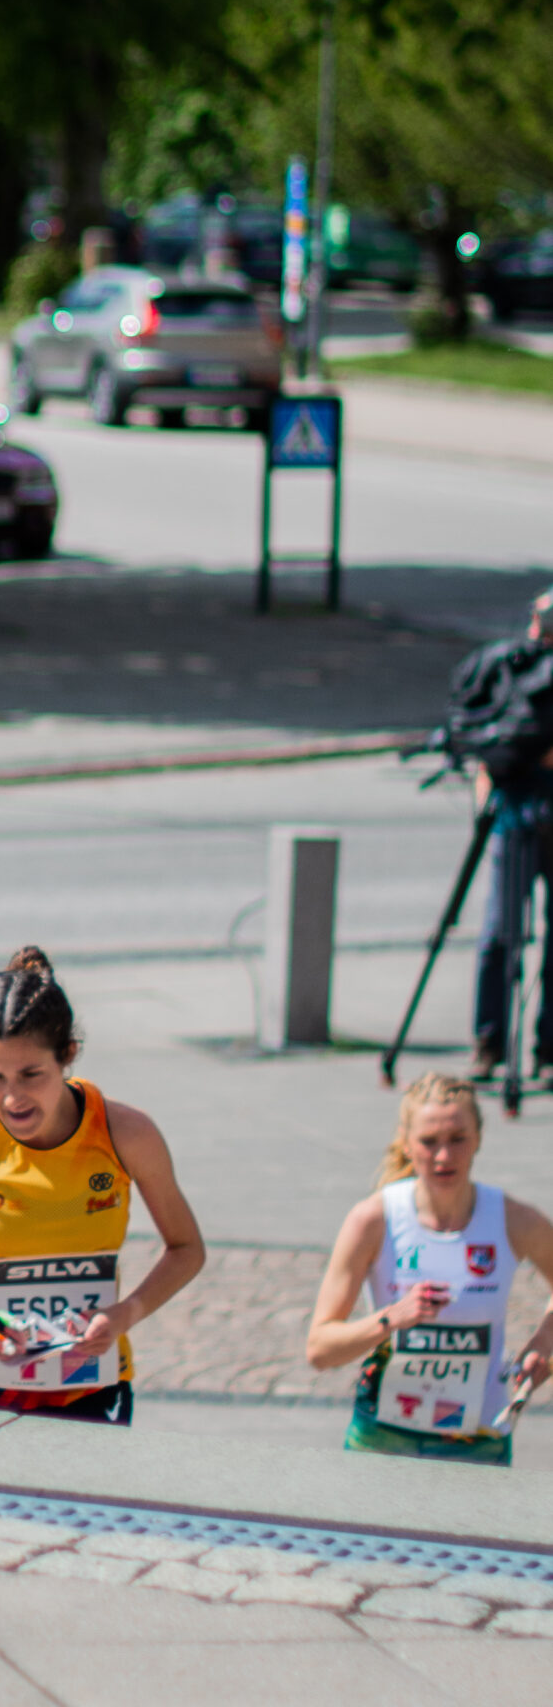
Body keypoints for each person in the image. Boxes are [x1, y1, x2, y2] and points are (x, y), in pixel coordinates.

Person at [0, 947, 205, 1425]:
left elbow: (187, 1247)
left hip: (93, 1386)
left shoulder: (125, 1134)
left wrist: (127, 1313)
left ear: (68, 1054)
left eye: (32, 1075)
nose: (12, 1098)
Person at [307, 1071, 553, 1464]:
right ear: (406, 1143)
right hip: (384, 1437)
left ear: (478, 1139)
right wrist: (391, 1317)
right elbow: (319, 1350)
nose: (444, 1156)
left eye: (458, 1139)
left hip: (478, 1437)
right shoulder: (373, 1220)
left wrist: (544, 1342)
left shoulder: (511, 1219)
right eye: (429, 1142)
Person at [452, 592, 553, 1083]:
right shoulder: (509, 666)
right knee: (500, 932)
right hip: (514, 810)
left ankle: (548, 1047)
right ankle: (490, 1043)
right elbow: (481, 728)